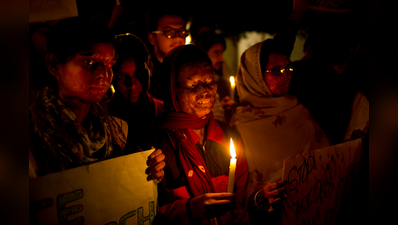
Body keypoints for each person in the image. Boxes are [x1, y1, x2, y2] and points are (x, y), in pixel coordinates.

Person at [29, 17, 165, 182]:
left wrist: (149, 171)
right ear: (54, 64)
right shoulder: (32, 134)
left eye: (109, 64)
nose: (103, 74)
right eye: (89, 62)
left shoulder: (118, 131)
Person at [230, 36, 332, 224]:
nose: (285, 75)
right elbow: (238, 195)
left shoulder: (299, 110)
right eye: (276, 70)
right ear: (256, 76)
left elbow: (327, 158)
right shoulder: (242, 126)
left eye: (288, 68)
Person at [148, 44, 250, 224]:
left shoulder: (228, 136)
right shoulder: (153, 146)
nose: (204, 92)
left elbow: (239, 204)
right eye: (192, 85)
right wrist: (188, 210)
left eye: (210, 82)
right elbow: (146, 213)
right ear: (172, 90)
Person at [103, 33, 164, 154]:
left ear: (150, 69)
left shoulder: (166, 113)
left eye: (138, 73)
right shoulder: (101, 118)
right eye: (121, 76)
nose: (131, 84)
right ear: (110, 77)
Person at [145, 5, 190, 101]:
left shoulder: (191, 68)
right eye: (168, 32)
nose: (178, 37)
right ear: (152, 38)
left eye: (181, 32)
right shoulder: (145, 76)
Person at [193, 31, 238, 123]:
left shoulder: (222, 83)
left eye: (221, 53)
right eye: (216, 53)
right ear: (203, 53)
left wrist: (220, 106)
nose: (221, 59)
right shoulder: (193, 86)